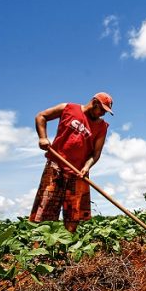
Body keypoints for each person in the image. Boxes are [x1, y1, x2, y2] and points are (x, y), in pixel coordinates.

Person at [29, 92, 113, 233]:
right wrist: (42, 138)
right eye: (102, 110)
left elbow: (96, 154)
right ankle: (41, 251)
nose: (103, 114)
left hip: (79, 173)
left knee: (74, 216)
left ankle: (66, 249)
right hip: (56, 166)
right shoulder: (68, 108)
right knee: (45, 211)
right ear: (94, 103)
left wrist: (86, 167)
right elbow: (41, 116)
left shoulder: (102, 127)